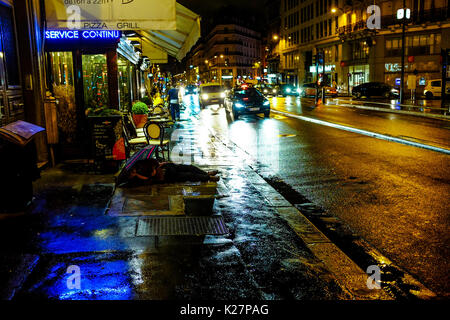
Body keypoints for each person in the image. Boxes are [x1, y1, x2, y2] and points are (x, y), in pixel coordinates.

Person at [127, 158, 220, 185]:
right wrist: (137, 175)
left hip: (168, 167)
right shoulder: (138, 177)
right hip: (168, 176)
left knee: (190, 167)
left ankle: (206, 173)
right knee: (189, 175)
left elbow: (155, 163)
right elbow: (151, 175)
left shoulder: (142, 163)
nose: (132, 172)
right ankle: (209, 177)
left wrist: (160, 164)